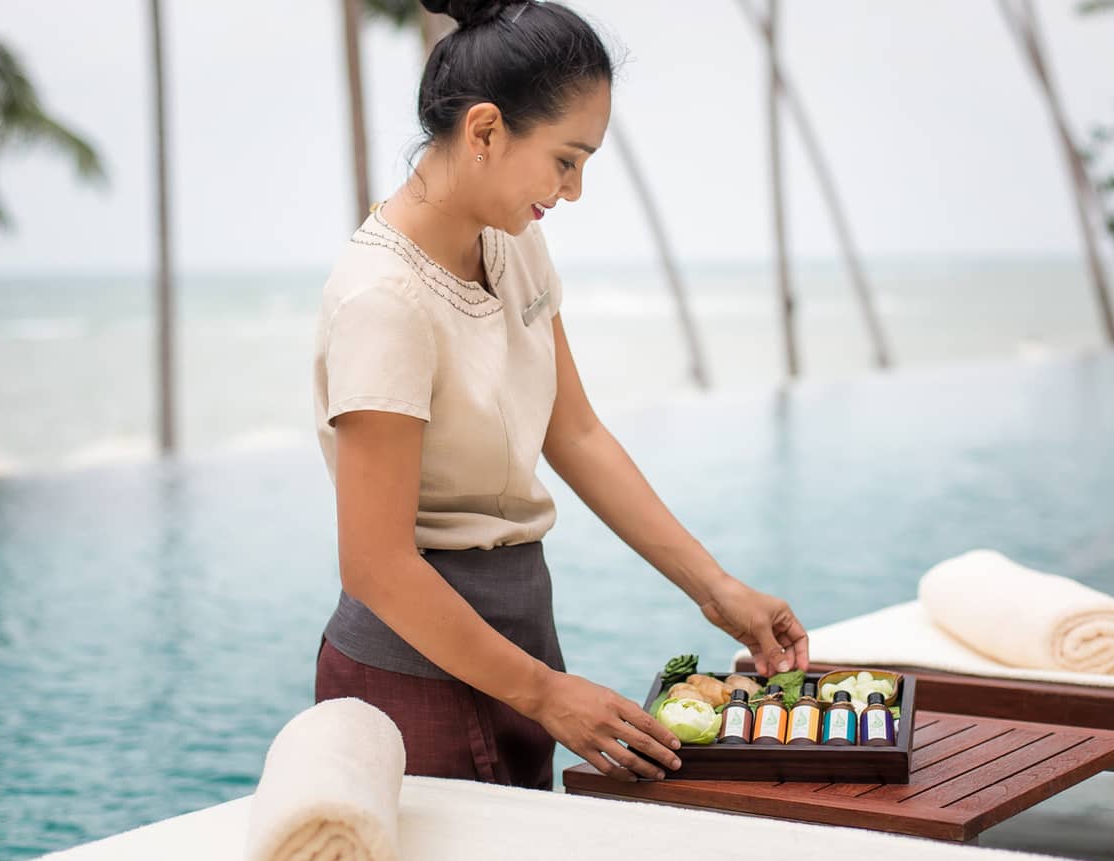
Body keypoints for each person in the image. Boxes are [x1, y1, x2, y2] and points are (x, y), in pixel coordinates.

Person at [311, 0, 809, 790]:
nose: (572, 190)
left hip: (519, 639)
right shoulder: (383, 301)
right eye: (565, 160)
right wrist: (546, 692)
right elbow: (375, 563)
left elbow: (573, 431)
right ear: (484, 132)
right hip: (417, 675)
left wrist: (718, 592)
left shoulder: (514, 243)